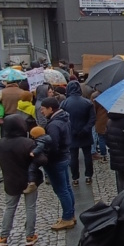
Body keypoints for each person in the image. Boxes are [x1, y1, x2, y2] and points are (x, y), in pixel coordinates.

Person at [0, 114, 41, 246]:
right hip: (28, 180)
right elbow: (40, 159)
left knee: (10, 208)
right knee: (30, 208)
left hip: (11, 180)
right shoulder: (28, 143)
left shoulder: (0, 143)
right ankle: (30, 236)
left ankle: (3, 237)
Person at [40, 97, 76, 230]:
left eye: (43, 109)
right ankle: (70, 215)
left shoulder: (54, 124)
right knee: (66, 187)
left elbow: (53, 145)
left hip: (56, 160)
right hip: (64, 156)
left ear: (50, 108)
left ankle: (67, 218)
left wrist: (46, 157)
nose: (42, 112)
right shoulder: (64, 118)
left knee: (62, 189)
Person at [61, 81, 95, 186]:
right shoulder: (87, 102)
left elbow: (63, 119)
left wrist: (71, 129)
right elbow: (92, 118)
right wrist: (86, 129)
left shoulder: (64, 103)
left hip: (72, 134)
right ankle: (88, 176)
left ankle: (75, 178)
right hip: (86, 133)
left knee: (73, 157)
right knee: (87, 155)